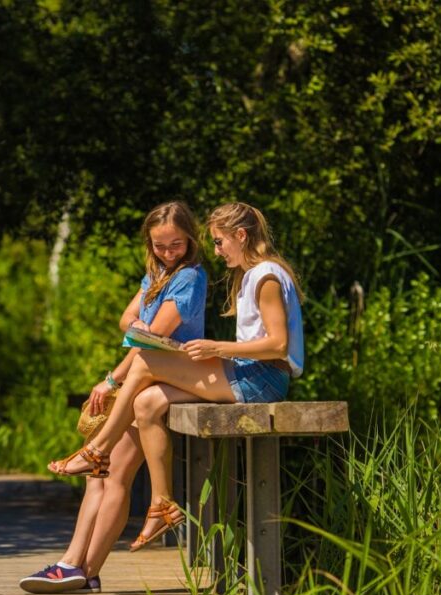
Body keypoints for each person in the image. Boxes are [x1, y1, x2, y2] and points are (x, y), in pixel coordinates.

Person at [49, 202, 303, 551]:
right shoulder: (251, 276)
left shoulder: (267, 276)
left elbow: (277, 344)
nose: (216, 250)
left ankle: (96, 450)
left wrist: (218, 348)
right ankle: (162, 504)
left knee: (145, 362)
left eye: (219, 241)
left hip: (262, 379)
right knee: (148, 402)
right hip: (250, 374)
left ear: (240, 236)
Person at [21, 201, 207, 593]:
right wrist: (111, 378)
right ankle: (76, 566)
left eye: (176, 244)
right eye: (160, 245)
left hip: (167, 385)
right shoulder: (157, 274)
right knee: (99, 476)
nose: (168, 252)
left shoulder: (189, 277)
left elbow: (151, 338)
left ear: (190, 238)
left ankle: (80, 568)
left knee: (113, 474)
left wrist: (116, 374)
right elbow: (128, 324)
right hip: (144, 377)